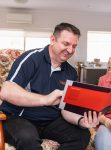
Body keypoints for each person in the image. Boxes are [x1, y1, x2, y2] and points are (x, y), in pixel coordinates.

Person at [0, 22, 99, 150]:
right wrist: (46, 99)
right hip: (19, 118)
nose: (70, 50)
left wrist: (80, 121)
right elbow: (7, 91)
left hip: (50, 121)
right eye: (66, 44)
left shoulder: (71, 72)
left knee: (82, 135)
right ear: (53, 39)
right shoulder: (31, 58)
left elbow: (66, 108)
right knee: (28, 138)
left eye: (74, 46)